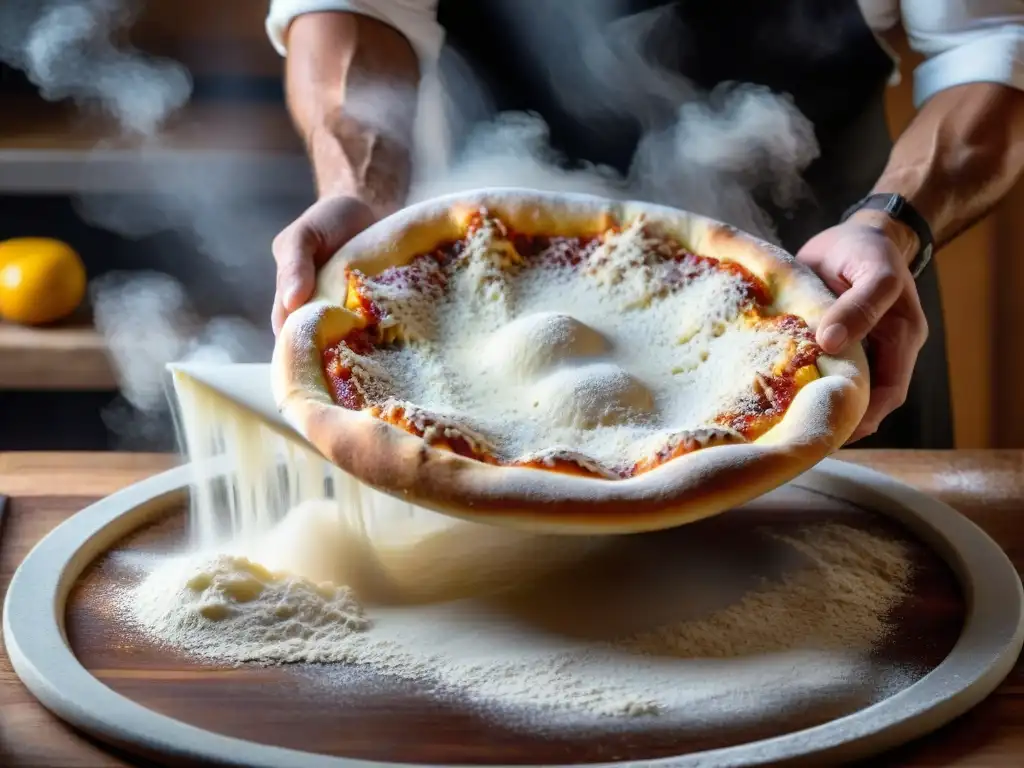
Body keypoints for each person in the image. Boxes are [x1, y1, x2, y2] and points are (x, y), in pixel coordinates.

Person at [263, 0, 1024, 449]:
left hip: (826, 295)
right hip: (476, 310)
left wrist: (891, 223)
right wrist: (359, 192)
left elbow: (991, 39)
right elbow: (354, 9)